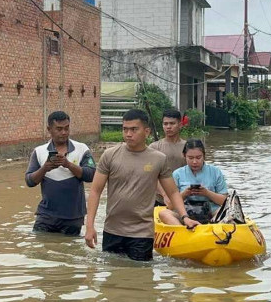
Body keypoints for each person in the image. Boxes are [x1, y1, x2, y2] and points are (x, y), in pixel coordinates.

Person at [84, 109, 200, 261]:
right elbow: (95, 191)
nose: (128, 134)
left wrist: (185, 217)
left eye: (134, 129)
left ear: (146, 131)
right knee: (111, 281)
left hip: (142, 233)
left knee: (141, 277)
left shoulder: (158, 159)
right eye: (125, 129)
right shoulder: (110, 155)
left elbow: (172, 192)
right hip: (112, 230)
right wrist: (89, 226)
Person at [25, 111, 95, 236]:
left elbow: (91, 175)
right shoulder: (39, 152)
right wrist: (44, 168)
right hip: (46, 216)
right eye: (59, 129)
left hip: (73, 217)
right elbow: (29, 181)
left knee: (69, 251)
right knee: (41, 249)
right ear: (49, 129)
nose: (64, 132)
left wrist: (68, 164)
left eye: (66, 128)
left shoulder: (82, 149)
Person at [159, 139, 228, 225]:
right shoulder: (177, 174)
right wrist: (185, 193)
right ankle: (182, 231)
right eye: (190, 158)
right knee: (163, 213)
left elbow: (225, 201)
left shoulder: (215, 172)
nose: (195, 162)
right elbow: (170, 206)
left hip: (211, 211)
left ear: (204, 156)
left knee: (229, 214)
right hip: (184, 213)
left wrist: (207, 193)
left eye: (198, 157)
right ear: (184, 156)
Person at [149, 109, 186, 207]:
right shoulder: (154, 148)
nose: (168, 127)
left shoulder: (188, 147)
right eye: (165, 124)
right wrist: (164, 195)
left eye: (172, 123)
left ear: (180, 124)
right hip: (159, 199)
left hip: (183, 197)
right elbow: (151, 175)